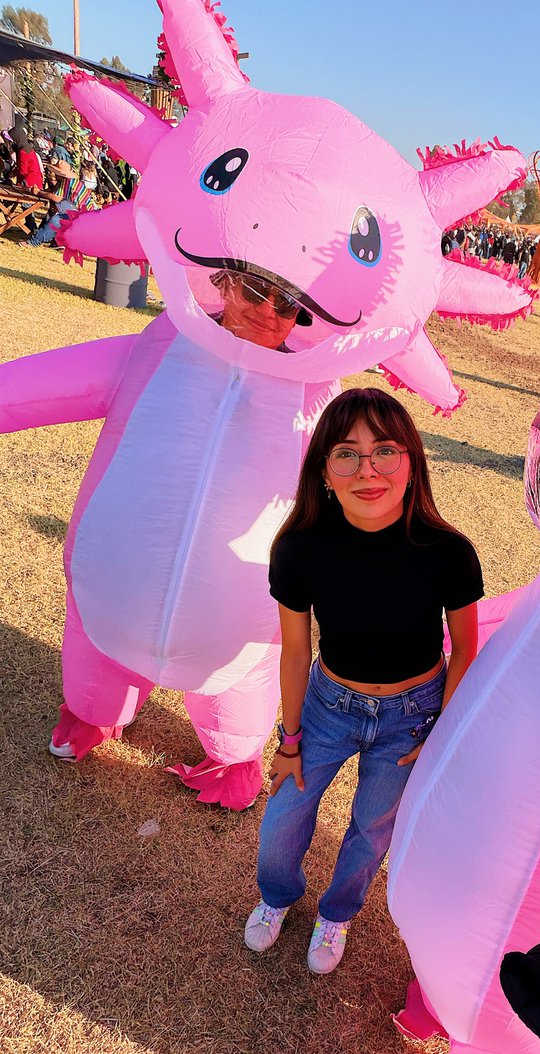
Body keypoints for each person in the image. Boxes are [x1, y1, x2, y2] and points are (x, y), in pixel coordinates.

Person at [244, 388, 483, 974]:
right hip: (328, 705)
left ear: (413, 463)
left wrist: (440, 733)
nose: (367, 470)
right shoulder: (298, 549)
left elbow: (465, 649)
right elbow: (295, 652)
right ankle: (277, 897)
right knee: (282, 819)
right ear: (324, 471)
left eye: (385, 451)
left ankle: (337, 914)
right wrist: (290, 739)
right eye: (346, 453)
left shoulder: (450, 552)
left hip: (413, 716)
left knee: (371, 829)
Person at [209, 269, 304, 351]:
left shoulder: (297, 367)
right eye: (255, 291)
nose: (265, 312)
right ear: (226, 287)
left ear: (295, 319)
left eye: (286, 305)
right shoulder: (198, 337)